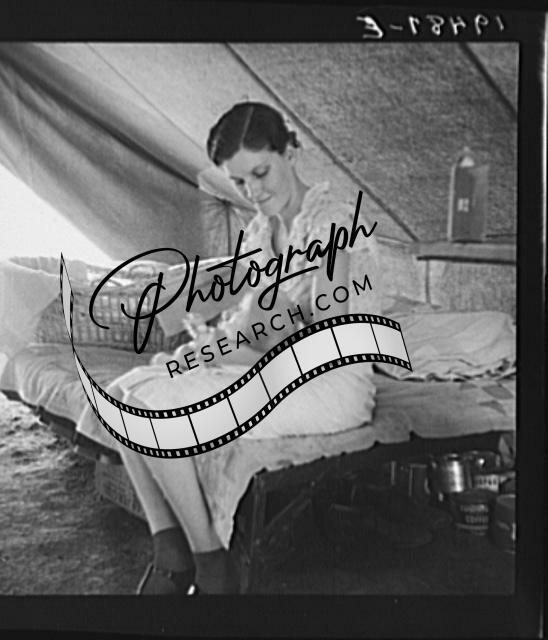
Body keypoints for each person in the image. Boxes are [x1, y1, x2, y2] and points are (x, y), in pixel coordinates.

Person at [112, 102, 381, 595]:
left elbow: (325, 340)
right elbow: (256, 325)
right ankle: (171, 549)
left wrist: (238, 347)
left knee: (162, 410)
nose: (253, 192)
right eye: (239, 182)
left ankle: (210, 562)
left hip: (332, 385)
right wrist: (205, 352)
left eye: (260, 173)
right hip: (275, 368)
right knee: (124, 392)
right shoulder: (262, 230)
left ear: (291, 152)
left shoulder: (330, 221)